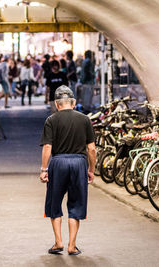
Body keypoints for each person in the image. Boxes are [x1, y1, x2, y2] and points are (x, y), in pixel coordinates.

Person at [39, 85, 96, 256]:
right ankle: (72, 245)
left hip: (58, 163)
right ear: (74, 102)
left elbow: (47, 146)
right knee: (76, 204)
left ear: (57, 104)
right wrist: (91, 169)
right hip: (79, 163)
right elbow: (91, 149)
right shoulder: (85, 119)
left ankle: (58, 243)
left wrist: (44, 169)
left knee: (54, 203)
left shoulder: (51, 120)